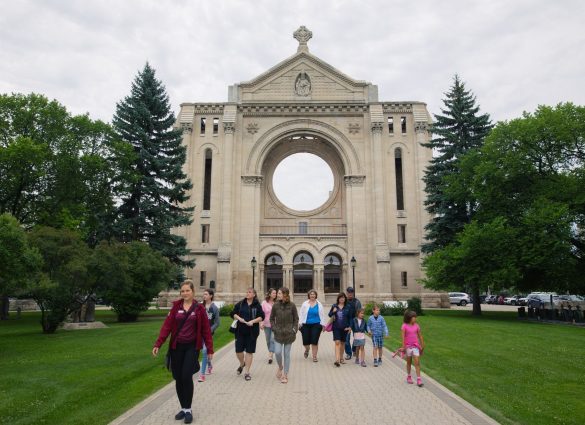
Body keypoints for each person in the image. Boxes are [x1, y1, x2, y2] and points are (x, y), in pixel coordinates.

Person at [152, 280, 213, 424]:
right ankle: (183, 408)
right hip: (176, 347)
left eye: (187, 290)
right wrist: (158, 344)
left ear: (193, 292)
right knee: (178, 377)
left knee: (186, 376)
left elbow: (206, 330)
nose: (185, 293)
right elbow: (167, 327)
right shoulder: (176, 307)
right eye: (183, 291)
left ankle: (188, 409)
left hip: (192, 347)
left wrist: (209, 349)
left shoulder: (199, 309)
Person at [230, 287, 265, 381]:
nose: (247, 293)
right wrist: (239, 318)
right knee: (238, 351)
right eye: (247, 292)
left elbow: (262, 316)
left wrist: (253, 321)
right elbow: (233, 313)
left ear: (254, 294)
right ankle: (242, 363)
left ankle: (247, 372)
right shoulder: (241, 303)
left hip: (252, 332)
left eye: (250, 292)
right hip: (240, 331)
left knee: (249, 351)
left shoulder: (257, 305)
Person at [270, 287, 298, 384]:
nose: (278, 295)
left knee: (286, 354)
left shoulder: (292, 305)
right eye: (277, 293)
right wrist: (274, 328)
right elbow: (271, 319)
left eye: (280, 293)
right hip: (278, 333)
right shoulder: (275, 305)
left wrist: (294, 329)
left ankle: (285, 374)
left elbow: (296, 319)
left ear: (285, 294)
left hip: (289, 334)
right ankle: (280, 366)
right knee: (277, 352)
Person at [299, 289, 328, 362]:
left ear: (316, 295)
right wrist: (299, 323)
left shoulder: (319, 304)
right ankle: (307, 349)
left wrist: (323, 325)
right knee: (305, 341)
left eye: (314, 294)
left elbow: (322, 315)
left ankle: (314, 356)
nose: (312, 295)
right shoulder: (305, 304)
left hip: (316, 324)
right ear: (309, 295)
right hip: (305, 324)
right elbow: (301, 313)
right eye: (311, 294)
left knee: (314, 341)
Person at [198, 288, 220, 383]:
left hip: (208, 334)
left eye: (206, 294)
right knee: (204, 352)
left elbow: (217, 323)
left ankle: (202, 375)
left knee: (204, 351)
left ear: (211, 296)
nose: (204, 296)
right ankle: (209, 365)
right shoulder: (200, 307)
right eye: (204, 294)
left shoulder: (214, 308)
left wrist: (209, 330)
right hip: (199, 333)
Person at [401, 310, 425, 387]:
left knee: (417, 362)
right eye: (413, 317)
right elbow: (403, 338)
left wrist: (422, 345)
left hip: (415, 346)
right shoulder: (404, 326)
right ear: (409, 318)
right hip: (408, 347)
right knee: (409, 362)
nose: (415, 319)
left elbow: (420, 336)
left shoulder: (417, 326)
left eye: (415, 317)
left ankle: (419, 379)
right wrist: (404, 347)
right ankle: (409, 376)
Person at [329, 292, 351, 367]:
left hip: (345, 328)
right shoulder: (334, 306)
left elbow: (350, 318)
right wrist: (333, 311)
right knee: (337, 342)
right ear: (338, 299)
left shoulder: (348, 307)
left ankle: (341, 358)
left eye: (343, 298)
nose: (342, 299)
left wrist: (350, 327)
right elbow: (329, 315)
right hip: (336, 328)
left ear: (345, 299)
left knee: (343, 343)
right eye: (340, 298)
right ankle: (337, 360)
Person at [345, 287, 362, 360]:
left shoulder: (357, 302)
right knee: (346, 339)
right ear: (347, 293)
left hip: (355, 321)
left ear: (353, 293)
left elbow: (359, 313)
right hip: (347, 322)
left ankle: (354, 350)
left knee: (356, 337)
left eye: (351, 293)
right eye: (349, 293)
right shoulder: (344, 301)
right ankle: (348, 353)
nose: (350, 294)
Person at [260, 288, 277, 364]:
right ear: (269, 294)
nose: (275, 294)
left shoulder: (277, 303)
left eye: (275, 293)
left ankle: (270, 355)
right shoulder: (264, 303)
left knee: (272, 339)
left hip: (275, 324)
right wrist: (261, 323)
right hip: (266, 324)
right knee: (268, 340)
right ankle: (271, 351)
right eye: (273, 293)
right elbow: (261, 314)